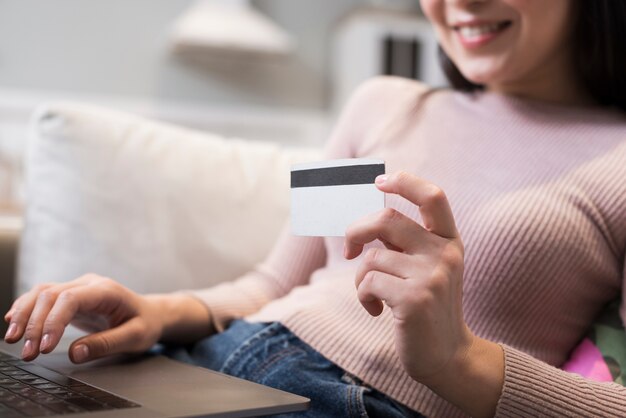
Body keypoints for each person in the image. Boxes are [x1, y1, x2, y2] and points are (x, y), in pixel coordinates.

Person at [4, 0, 626, 416]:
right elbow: (274, 282)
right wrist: (155, 310)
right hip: (210, 363)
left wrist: (461, 361)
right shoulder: (382, 103)